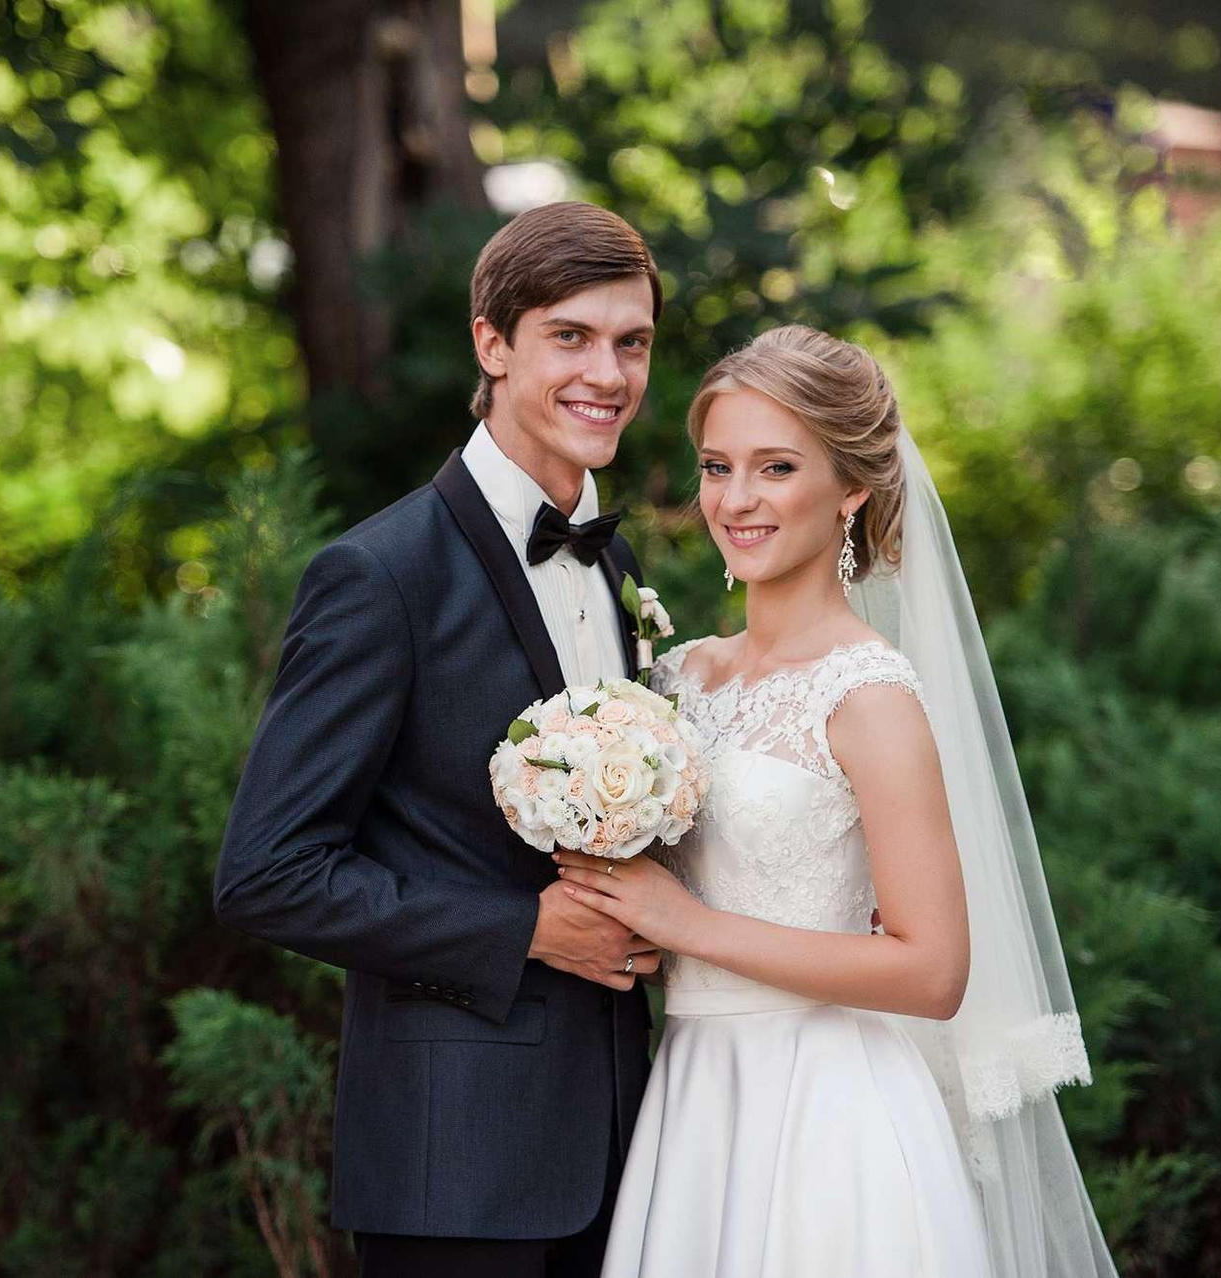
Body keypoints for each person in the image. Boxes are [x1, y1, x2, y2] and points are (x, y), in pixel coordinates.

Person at [555, 326, 1118, 1276]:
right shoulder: (677, 679)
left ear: (851, 487)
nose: (737, 499)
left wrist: (687, 925)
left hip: (828, 1113)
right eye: (718, 467)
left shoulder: (868, 695)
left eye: (776, 467)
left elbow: (933, 972)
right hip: (695, 1101)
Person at [214, 201, 664, 1278]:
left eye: (633, 342)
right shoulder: (380, 576)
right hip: (452, 1164)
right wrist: (524, 929)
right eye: (571, 337)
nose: (608, 373)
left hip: (630, 1148)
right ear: (492, 344)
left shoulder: (617, 566)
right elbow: (267, 874)